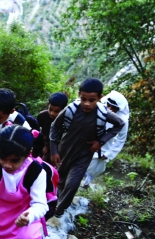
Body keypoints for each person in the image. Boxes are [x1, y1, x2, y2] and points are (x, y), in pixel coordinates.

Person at [48, 78, 125, 217]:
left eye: (92, 100)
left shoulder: (103, 112)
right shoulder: (71, 109)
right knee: (60, 180)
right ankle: (53, 202)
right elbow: (55, 127)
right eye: (83, 99)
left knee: (73, 183)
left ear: (100, 98)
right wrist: (54, 150)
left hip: (84, 154)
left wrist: (100, 142)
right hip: (64, 150)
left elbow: (119, 124)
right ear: (79, 95)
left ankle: (59, 209)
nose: (87, 103)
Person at [84, 91, 130, 187]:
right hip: (89, 140)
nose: (110, 109)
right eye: (109, 105)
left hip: (105, 147)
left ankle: (86, 183)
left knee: (95, 167)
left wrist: (109, 154)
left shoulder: (123, 120)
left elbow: (121, 139)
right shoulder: (99, 108)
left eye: (114, 107)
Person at [34, 92, 69, 162]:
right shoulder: (42, 116)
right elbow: (36, 133)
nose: (52, 113)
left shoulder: (67, 120)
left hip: (59, 150)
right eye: (50, 109)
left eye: (56, 111)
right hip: (43, 146)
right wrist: (42, 145)